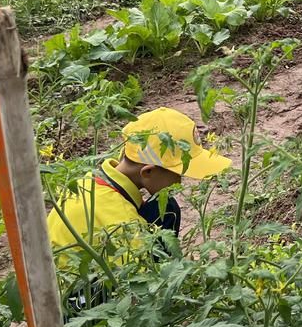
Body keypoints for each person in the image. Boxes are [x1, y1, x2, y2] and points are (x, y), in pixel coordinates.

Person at [47, 107, 231, 256]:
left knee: (166, 209)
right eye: (177, 174)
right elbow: (139, 283)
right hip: (82, 289)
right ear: (148, 172)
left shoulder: (88, 180)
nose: (179, 183)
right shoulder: (123, 222)